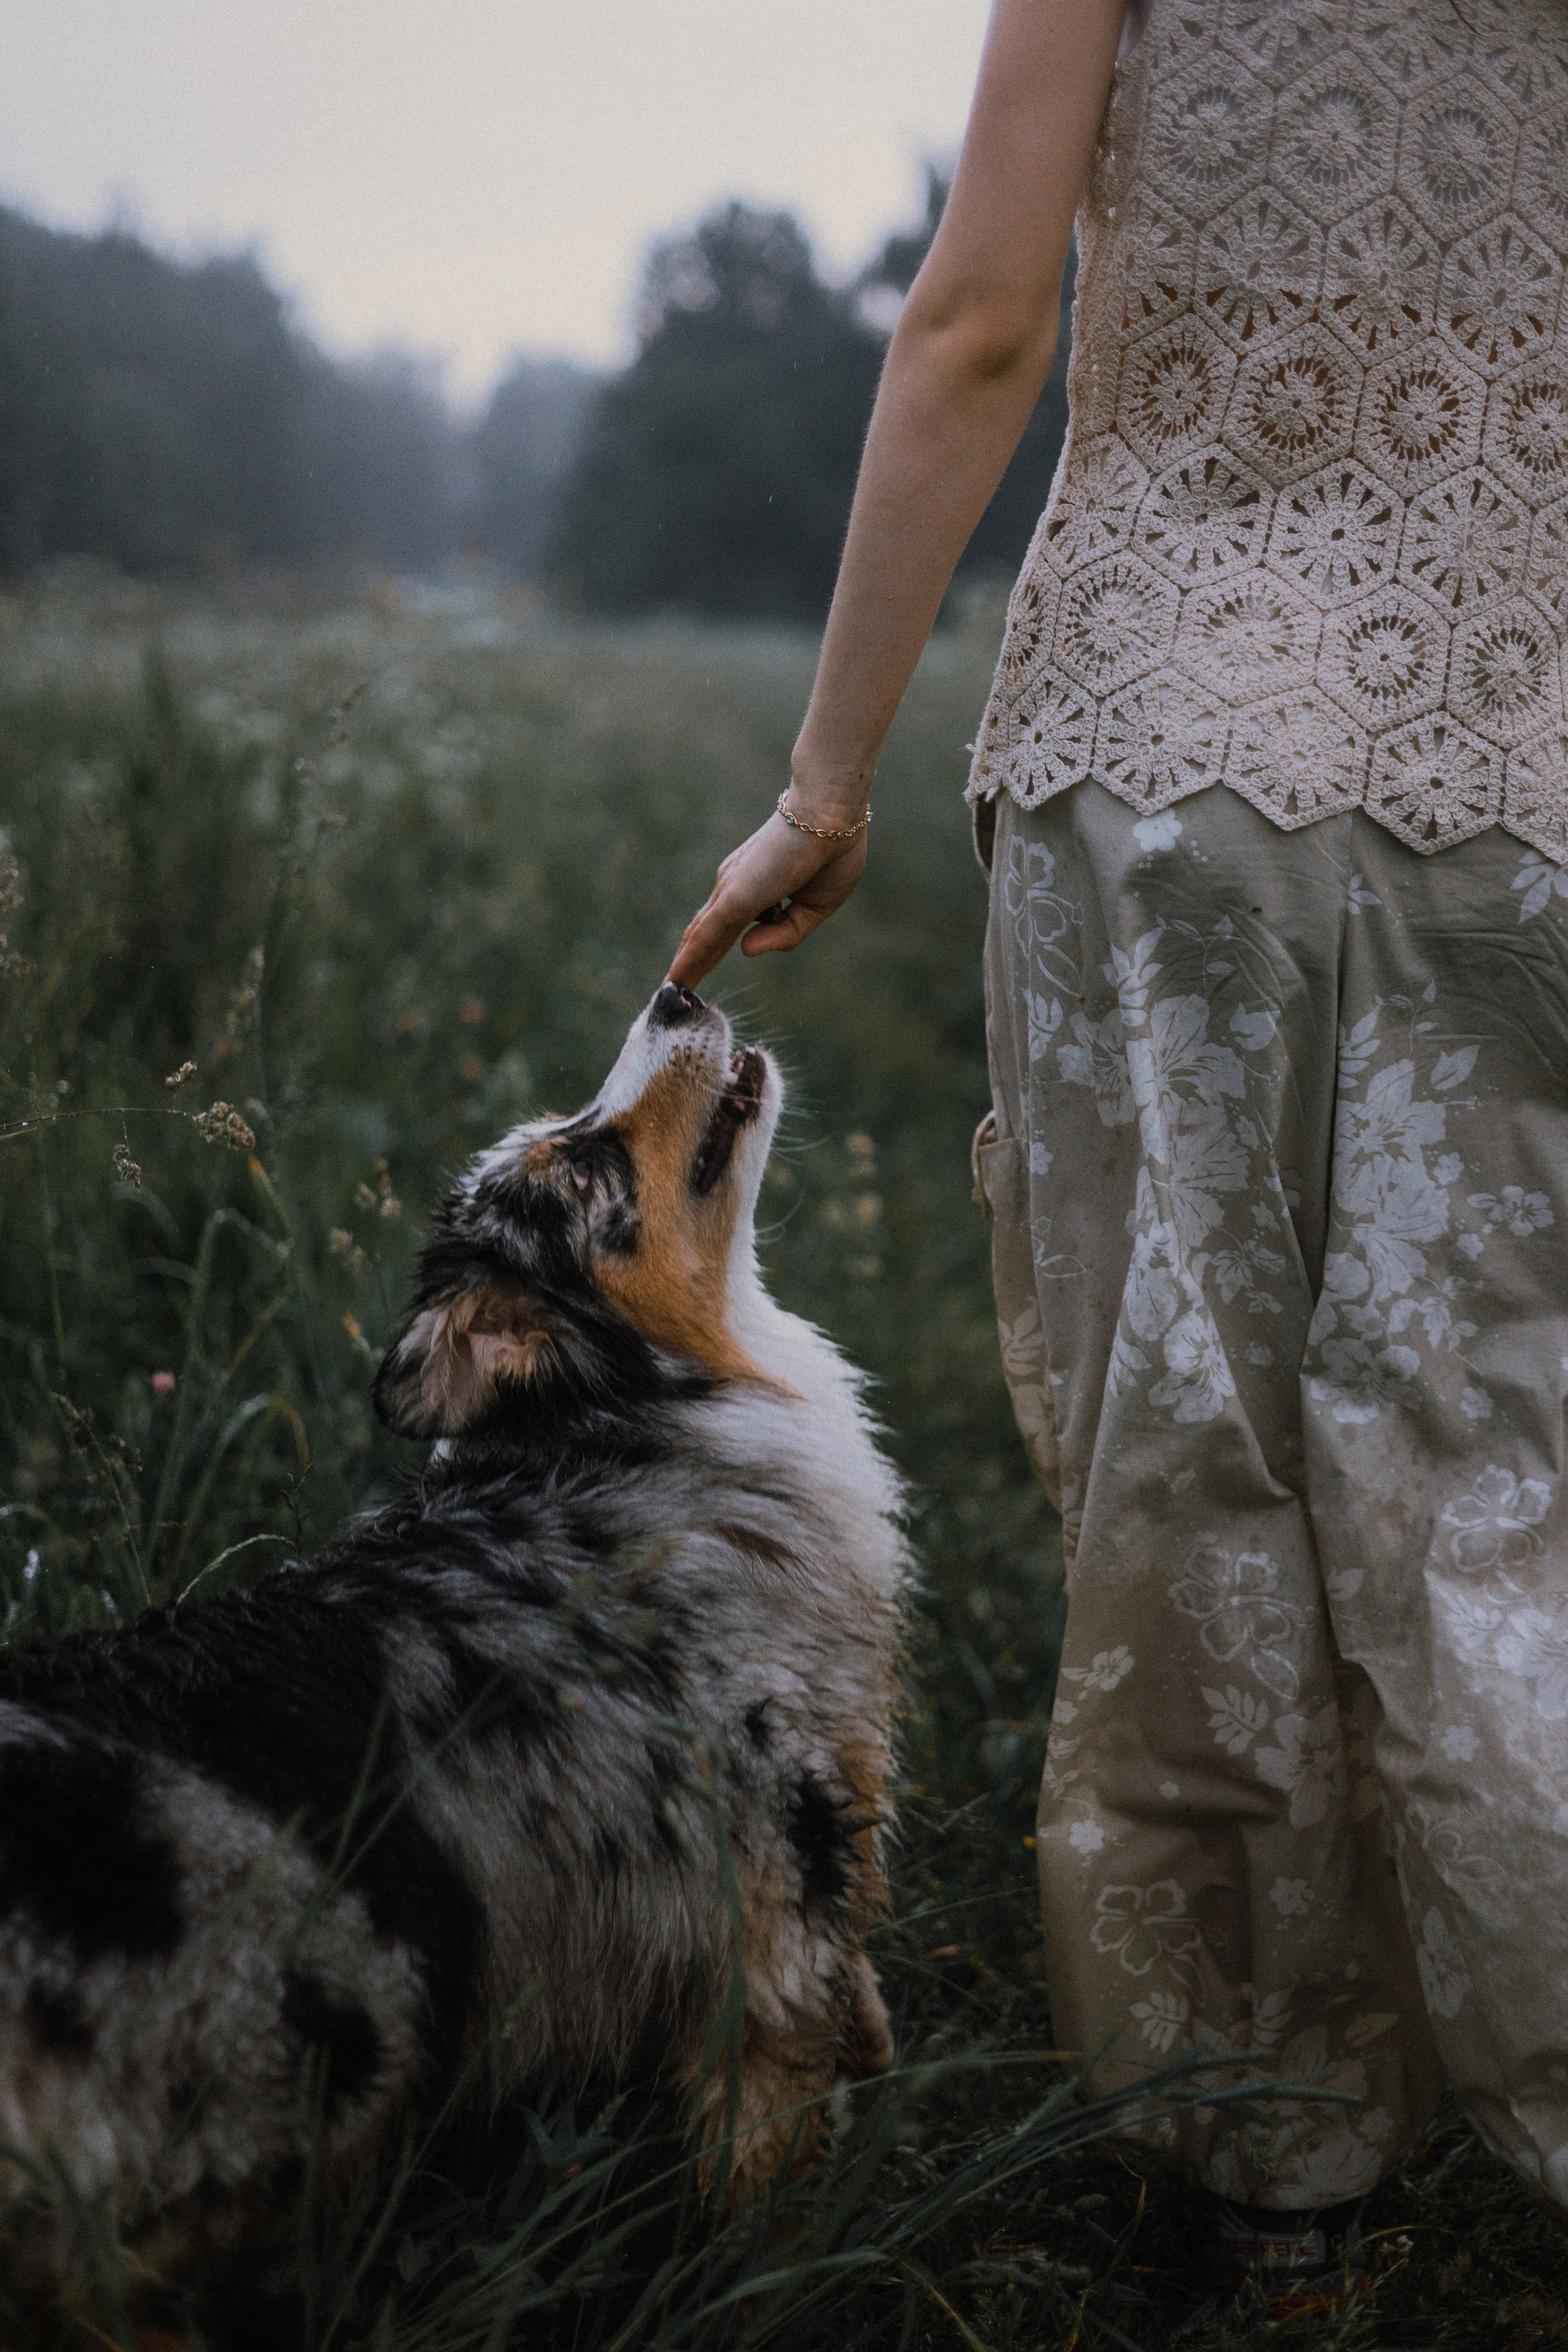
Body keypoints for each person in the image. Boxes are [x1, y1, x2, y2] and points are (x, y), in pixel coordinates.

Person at [669, 0, 1568, 2312]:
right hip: (1531, 748)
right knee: (1493, 1466)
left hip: (1171, 764)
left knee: (1202, 1457)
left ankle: (1276, 2182)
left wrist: (830, 775)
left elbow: (982, 317)